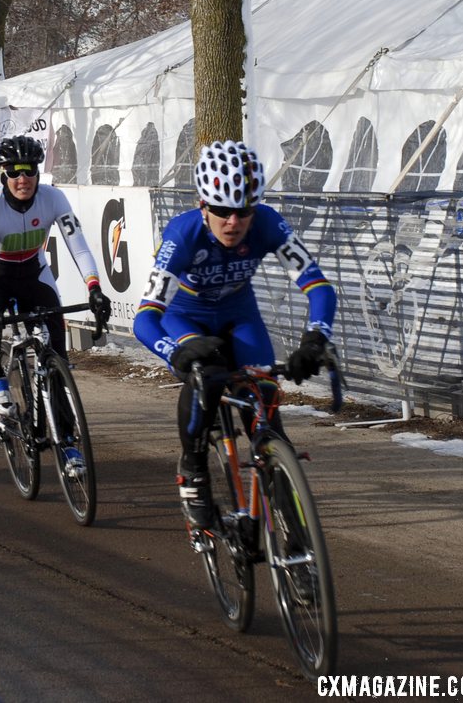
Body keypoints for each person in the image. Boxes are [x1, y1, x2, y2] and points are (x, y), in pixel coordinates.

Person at [132, 140, 337, 529]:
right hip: (186, 319)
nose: (233, 222)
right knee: (205, 377)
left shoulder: (268, 224)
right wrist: (174, 352)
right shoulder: (183, 234)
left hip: (239, 316)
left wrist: (314, 339)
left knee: (267, 409)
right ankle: (193, 469)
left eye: (242, 211)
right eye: (222, 210)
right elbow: (145, 319)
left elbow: (320, 288)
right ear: (202, 206)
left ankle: (296, 540)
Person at [0, 135, 112, 459]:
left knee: (57, 356)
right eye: (14, 172)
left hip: (33, 274)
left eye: (29, 170)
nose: (23, 179)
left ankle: (68, 441)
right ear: (3, 174)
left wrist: (94, 288)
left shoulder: (53, 198)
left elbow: (81, 247)